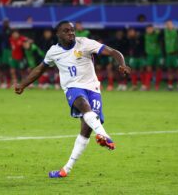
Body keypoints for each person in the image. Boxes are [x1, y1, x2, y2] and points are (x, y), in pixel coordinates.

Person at [15, 21, 131, 178]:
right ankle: (105, 135)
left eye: (72, 30)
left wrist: (122, 64)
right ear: (58, 34)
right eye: (66, 31)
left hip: (93, 89)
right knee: (84, 106)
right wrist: (23, 84)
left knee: (86, 130)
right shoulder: (53, 52)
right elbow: (40, 68)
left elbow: (112, 52)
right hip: (72, 88)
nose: (71, 33)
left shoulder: (85, 43)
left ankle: (66, 169)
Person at [163, 20, 178, 91]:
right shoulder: (164, 32)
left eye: (170, 24)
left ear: (173, 25)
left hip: (176, 54)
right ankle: (170, 86)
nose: (169, 25)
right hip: (168, 54)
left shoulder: (177, 31)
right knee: (170, 70)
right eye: (167, 24)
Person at [144, 24, 162, 91]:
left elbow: (161, 35)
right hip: (149, 54)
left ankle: (157, 85)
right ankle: (147, 85)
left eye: (150, 28)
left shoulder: (157, 35)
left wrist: (158, 31)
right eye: (148, 29)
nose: (149, 30)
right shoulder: (145, 36)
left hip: (157, 54)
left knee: (158, 69)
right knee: (148, 69)